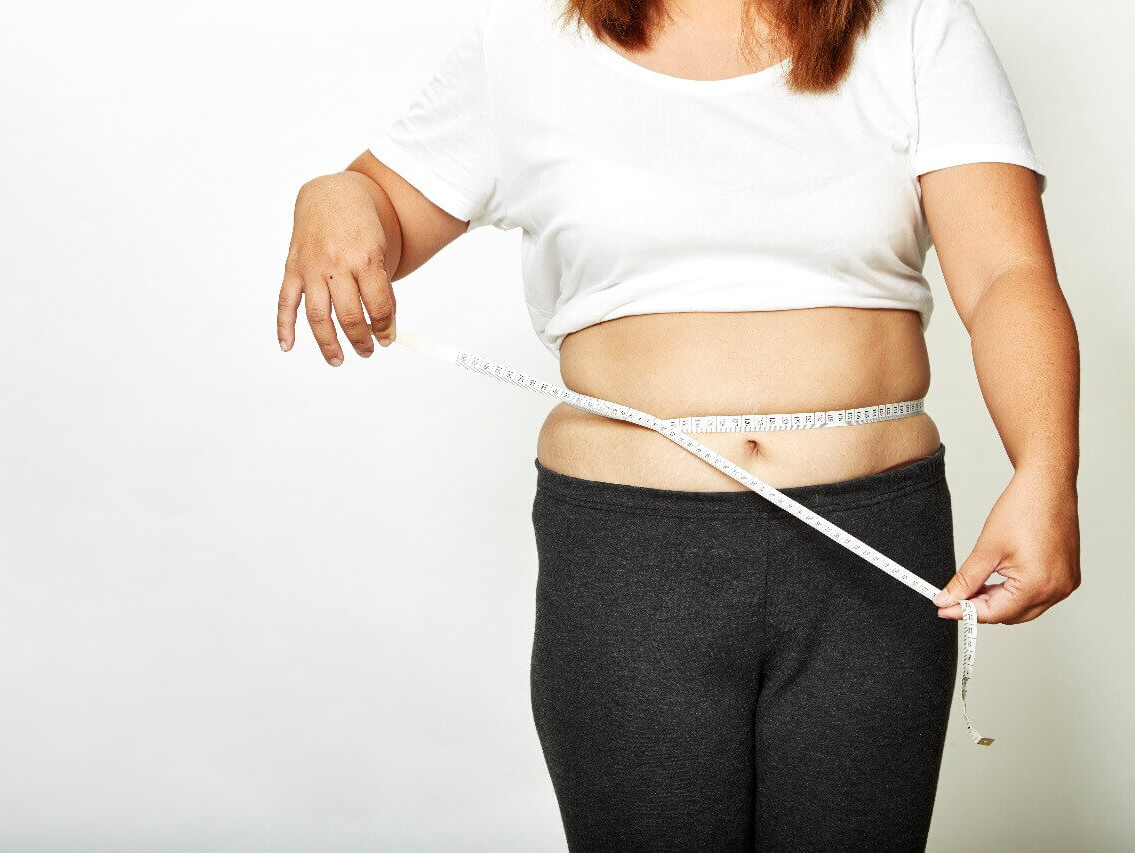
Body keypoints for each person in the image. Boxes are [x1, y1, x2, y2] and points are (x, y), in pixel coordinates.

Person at [277, 0, 1082, 848]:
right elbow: (381, 204)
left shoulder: (915, 26)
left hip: (871, 552)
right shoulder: (526, 43)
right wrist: (333, 195)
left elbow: (1006, 272)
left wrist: (1046, 472)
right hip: (629, 565)